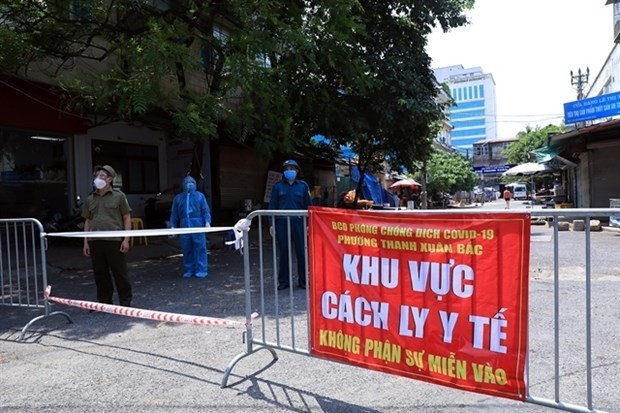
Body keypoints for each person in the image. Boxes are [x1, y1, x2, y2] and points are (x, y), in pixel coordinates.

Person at [82, 165, 133, 307]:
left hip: (114, 241)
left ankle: (125, 302)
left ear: (110, 179)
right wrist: (86, 242)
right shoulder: (90, 198)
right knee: (100, 273)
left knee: (120, 272)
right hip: (95, 241)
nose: (98, 179)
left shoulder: (119, 196)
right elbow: (88, 220)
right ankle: (104, 302)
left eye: (102, 176)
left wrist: (126, 239)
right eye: (96, 176)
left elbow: (126, 217)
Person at [269, 159, 312, 290]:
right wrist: (272, 224)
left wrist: (309, 223)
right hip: (282, 223)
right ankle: (283, 281)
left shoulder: (303, 186)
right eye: (287, 169)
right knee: (284, 252)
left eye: (292, 169)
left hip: (299, 222)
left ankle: (303, 280)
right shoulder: (277, 187)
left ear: (297, 171)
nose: (289, 171)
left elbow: (309, 206)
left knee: (301, 252)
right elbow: (272, 206)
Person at [169, 176, 211, 278]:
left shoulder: (200, 196)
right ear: (183, 185)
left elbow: (205, 210)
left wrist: (207, 222)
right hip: (184, 228)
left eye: (192, 182)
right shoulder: (178, 198)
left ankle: (202, 269)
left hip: (198, 227)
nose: (189, 184)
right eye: (187, 183)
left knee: (200, 247)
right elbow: (174, 213)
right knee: (186, 248)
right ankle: (189, 269)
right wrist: (172, 226)